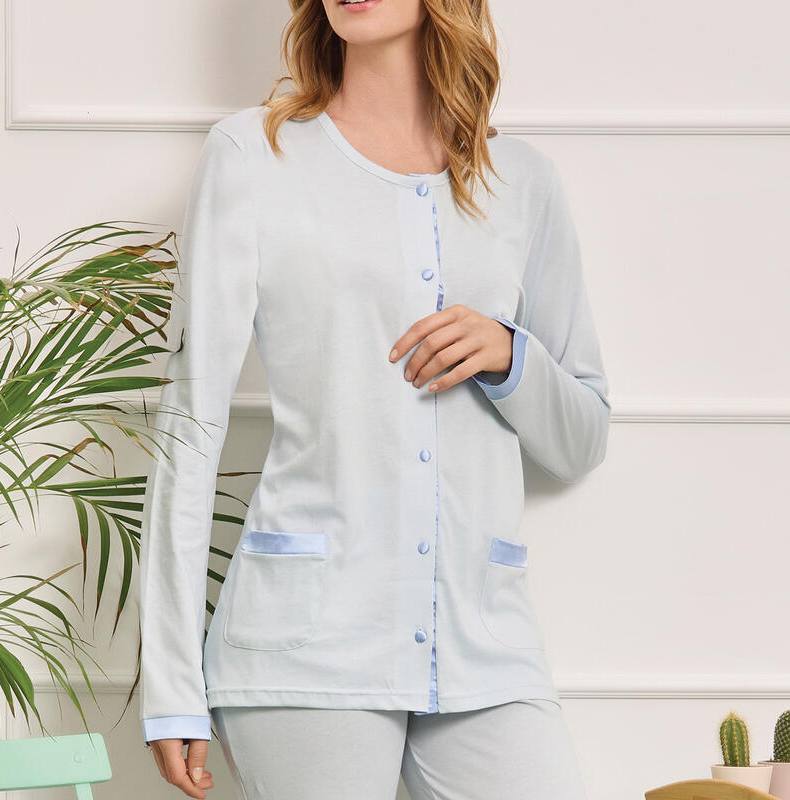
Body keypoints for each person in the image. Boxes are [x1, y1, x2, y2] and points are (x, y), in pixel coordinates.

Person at [138, 0, 612, 797]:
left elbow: (583, 438)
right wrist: (171, 685)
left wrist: (510, 356)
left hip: (486, 644)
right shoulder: (254, 156)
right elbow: (190, 424)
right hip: (305, 646)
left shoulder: (523, 181)